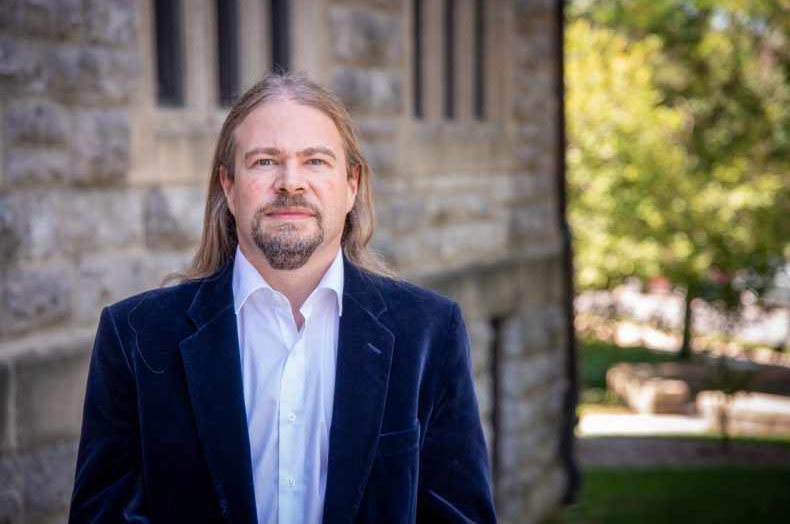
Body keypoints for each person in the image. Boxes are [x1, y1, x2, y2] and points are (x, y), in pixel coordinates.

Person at [69, 73, 496, 523]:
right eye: (265, 162)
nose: (291, 183)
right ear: (228, 187)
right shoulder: (135, 337)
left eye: (315, 161)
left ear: (351, 185)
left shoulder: (429, 332)